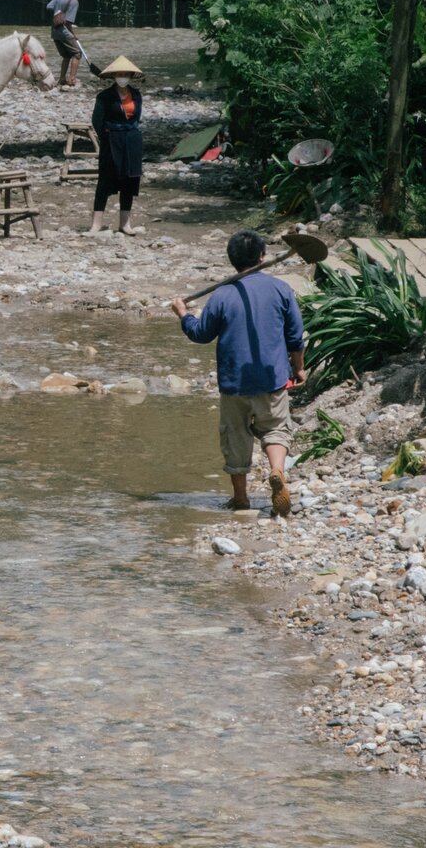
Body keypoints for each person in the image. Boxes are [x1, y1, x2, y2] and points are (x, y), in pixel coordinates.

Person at [169, 230, 307, 517]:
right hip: (272, 378)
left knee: (235, 436)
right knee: (275, 429)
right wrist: (299, 368)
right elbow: (295, 337)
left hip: (234, 383)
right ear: (262, 257)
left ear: (232, 261)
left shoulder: (222, 295)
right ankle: (277, 472)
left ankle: (241, 499)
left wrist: (183, 314)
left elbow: (201, 334)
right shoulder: (281, 289)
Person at [89, 56, 144, 236]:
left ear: (130, 76)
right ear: (114, 76)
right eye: (119, 74)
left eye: (125, 74)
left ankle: (125, 224)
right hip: (111, 140)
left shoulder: (136, 95)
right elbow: (97, 121)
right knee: (105, 181)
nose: (122, 77)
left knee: (130, 181)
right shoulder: (104, 96)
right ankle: (96, 225)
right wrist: (106, 136)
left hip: (132, 140)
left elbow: (136, 118)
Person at [46, 0, 82, 87]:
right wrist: (73, 36)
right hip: (64, 32)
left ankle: (62, 79)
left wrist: (58, 10)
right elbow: (68, 23)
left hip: (54, 31)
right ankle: (72, 79)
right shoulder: (74, 1)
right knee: (77, 53)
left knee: (66, 56)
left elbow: (48, 6)